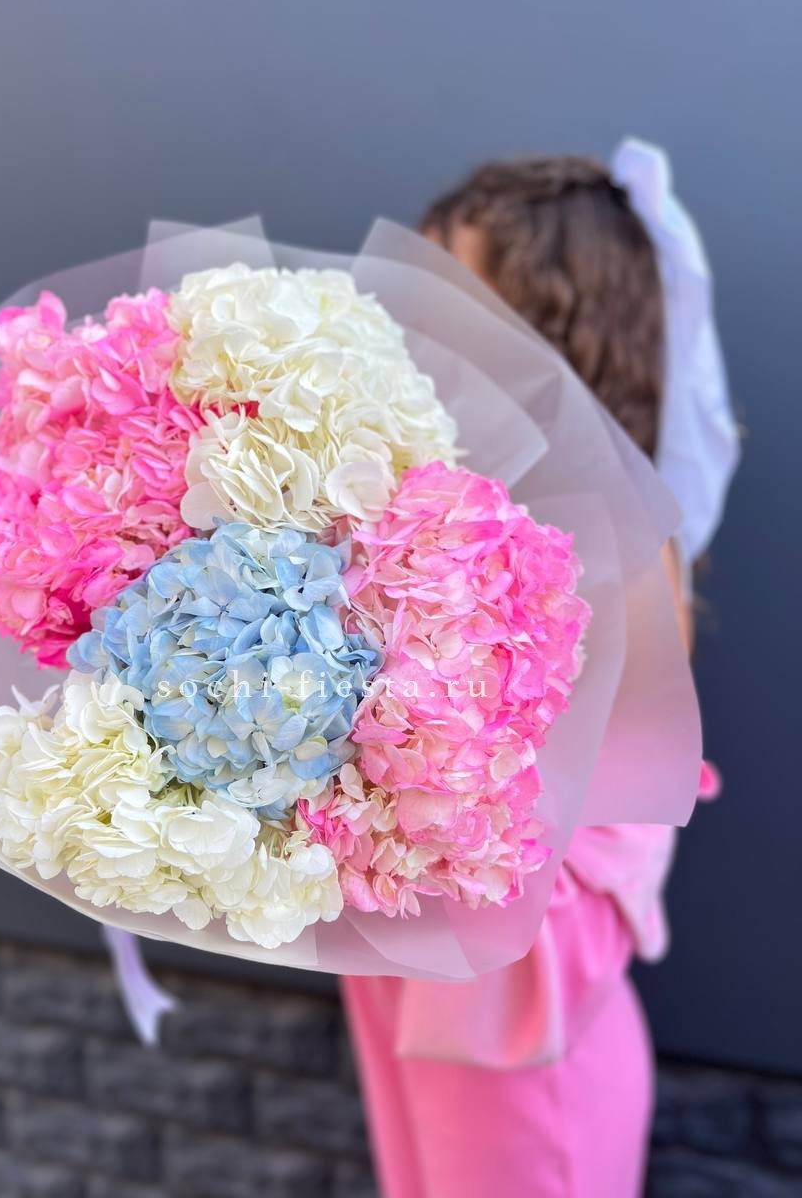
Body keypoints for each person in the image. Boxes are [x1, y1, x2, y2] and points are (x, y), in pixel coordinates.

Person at [341, 140, 739, 1198]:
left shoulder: (616, 542)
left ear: (549, 327)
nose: (416, 326)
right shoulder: (430, 502)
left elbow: (569, 810)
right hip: (416, 969)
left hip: (521, 1006)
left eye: (453, 297)